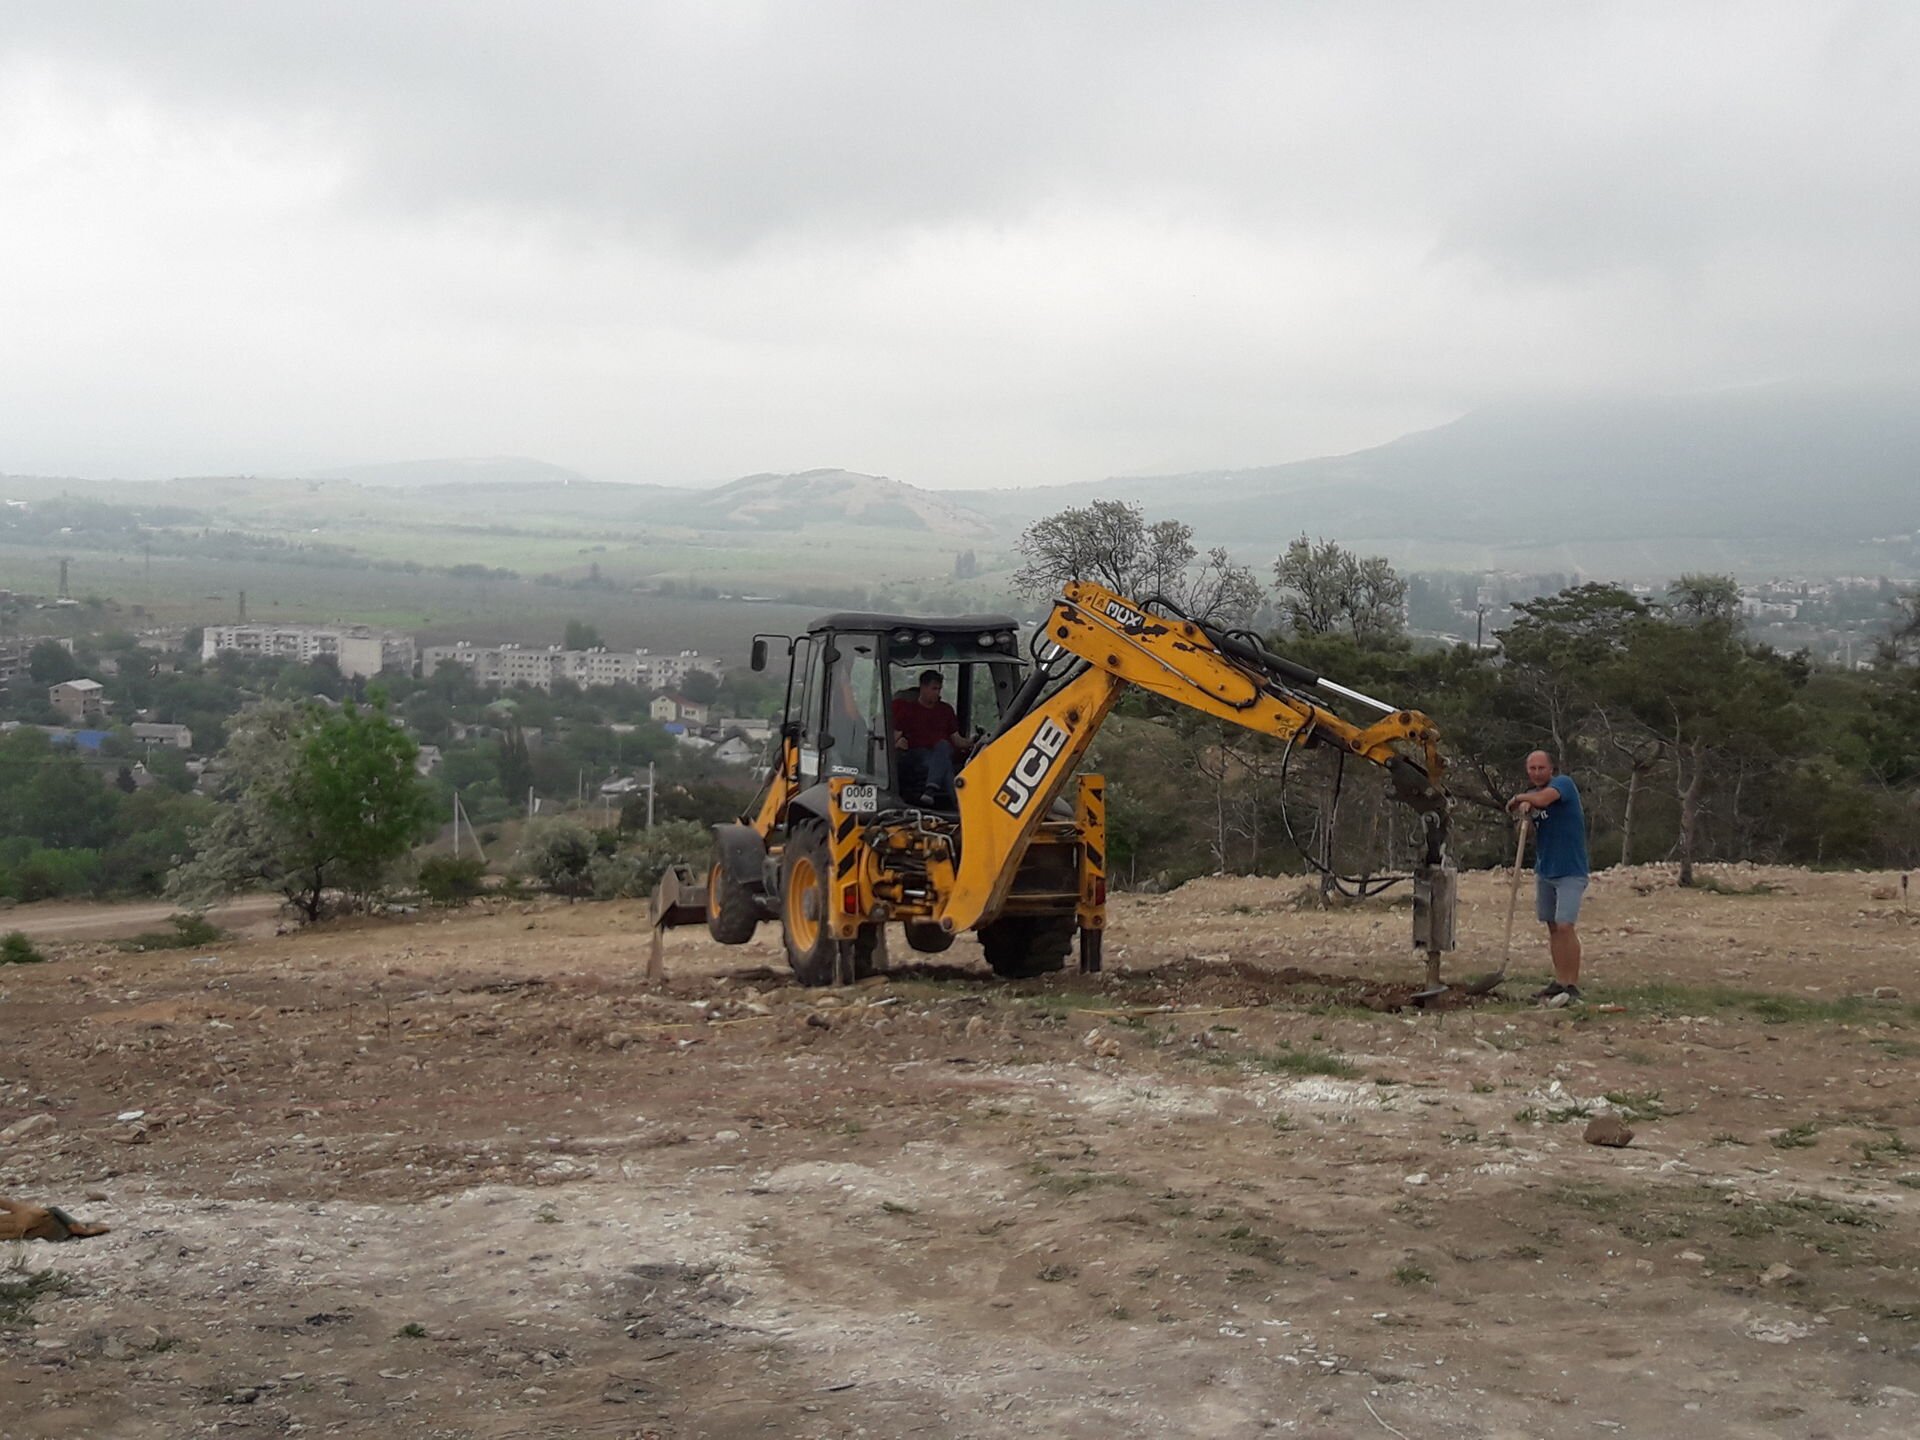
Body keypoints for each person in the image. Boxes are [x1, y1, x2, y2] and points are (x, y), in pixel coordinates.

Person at [1507, 749, 1589, 1004]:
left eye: (1541, 768)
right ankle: (1560, 981)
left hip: (1570, 870)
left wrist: (1520, 798)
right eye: (1532, 769)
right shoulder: (1531, 798)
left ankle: (1572, 985)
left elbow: (1544, 800)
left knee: (1565, 925)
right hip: (1545, 870)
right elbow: (1526, 834)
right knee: (1553, 927)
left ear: (1551, 769)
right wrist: (1524, 817)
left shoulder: (1563, 785)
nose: (1536, 773)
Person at [892, 669, 971, 805]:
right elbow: (892, 739)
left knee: (943, 749)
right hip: (916, 754)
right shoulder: (908, 710)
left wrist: (974, 742)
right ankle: (960, 805)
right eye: (934, 689)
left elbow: (957, 740)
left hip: (940, 753)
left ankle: (930, 790)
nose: (937, 693)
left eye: (939, 689)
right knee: (944, 759)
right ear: (922, 687)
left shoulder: (946, 710)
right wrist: (897, 743)